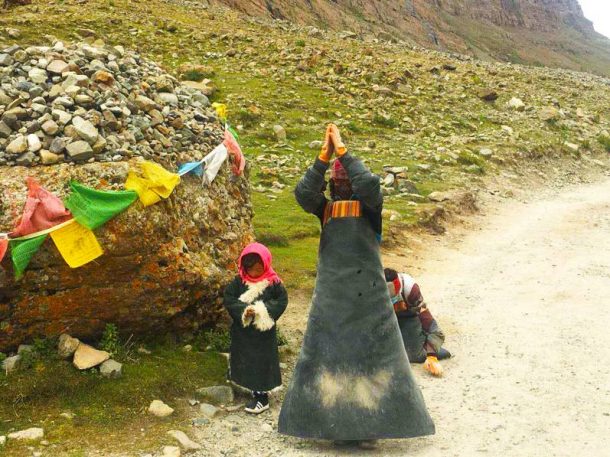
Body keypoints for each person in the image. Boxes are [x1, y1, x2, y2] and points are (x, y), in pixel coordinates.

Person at [278, 124, 435, 447]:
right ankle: (335, 426)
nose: (341, 185)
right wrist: (323, 157)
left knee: (373, 359)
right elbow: (303, 193)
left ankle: (369, 429)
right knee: (329, 358)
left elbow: (369, 184)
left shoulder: (370, 208)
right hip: (332, 297)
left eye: (342, 180)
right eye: (337, 181)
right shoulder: (324, 209)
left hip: (369, 300)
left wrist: (343, 150)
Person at [223, 242, 288, 414]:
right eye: (251, 270)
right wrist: (244, 311)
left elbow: (281, 301)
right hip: (243, 332)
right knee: (244, 357)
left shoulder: (273, 283)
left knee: (261, 361)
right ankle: (246, 386)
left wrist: (261, 311)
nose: (254, 273)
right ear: (244, 267)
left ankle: (262, 398)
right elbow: (229, 298)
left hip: (263, 335)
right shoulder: (239, 282)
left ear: (266, 264)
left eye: (259, 270)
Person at [384, 268, 451, 377]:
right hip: (385, 318)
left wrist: (431, 355)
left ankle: (424, 343)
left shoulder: (411, 289)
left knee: (413, 355)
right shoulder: (373, 286)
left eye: (394, 298)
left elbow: (432, 327)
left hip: (407, 317)